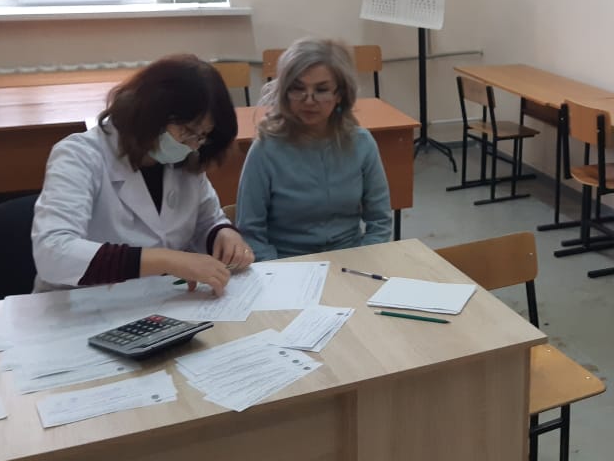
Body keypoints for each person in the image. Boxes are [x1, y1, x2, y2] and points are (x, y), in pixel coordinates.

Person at [32, 54, 253, 295]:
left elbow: (208, 220)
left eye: (202, 136)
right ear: (152, 112)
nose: (193, 145)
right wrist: (166, 260)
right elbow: (53, 252)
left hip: (149, 300)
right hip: (75, 303)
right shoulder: (80, 155)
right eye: (187, 131)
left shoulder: (185, 159)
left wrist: (223, 234)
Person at [235, 38, 392, 260]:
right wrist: (276, 271)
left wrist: (365, 259)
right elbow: (250, 232)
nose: (309, 100)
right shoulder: (265, 149)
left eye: (321, 90)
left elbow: (380, 221)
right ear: (285, 92)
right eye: (298, 89)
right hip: (288, 262)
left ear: (339, 94)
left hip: (350, 259)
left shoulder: (362, 143)